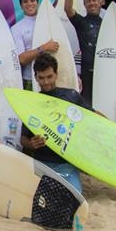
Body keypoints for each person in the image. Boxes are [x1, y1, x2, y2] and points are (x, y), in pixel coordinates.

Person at [21, 53, 92, 194]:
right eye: (41, 78)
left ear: (56, 74)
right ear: (35, 77)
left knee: (74, 198)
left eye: (49, 77)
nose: (46, 82)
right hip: (42, 164)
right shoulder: (31, 103)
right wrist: (31, 144)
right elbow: (23, 139)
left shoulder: (71, 96)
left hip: (66, 164)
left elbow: (93, 116)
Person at [10, 0, 60, 91]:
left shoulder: (50, 22)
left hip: (53, 78)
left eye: (32, 0)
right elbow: (21, 59)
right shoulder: (16, 28)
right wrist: (44, 48)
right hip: (31, 80)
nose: (29, 3)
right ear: (21, 6)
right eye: (25, 1)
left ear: (37, 3)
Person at [64, 0, 103, 102]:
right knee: (89, 108)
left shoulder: (109, 25)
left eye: (94, 0)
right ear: (84, 4)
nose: (92, 3)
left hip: (106, 72)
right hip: (88, 74)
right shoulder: (82, 22)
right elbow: (68, 10)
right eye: (88, 1)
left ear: (100, 2)